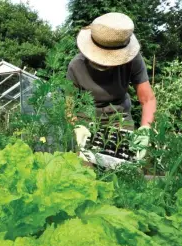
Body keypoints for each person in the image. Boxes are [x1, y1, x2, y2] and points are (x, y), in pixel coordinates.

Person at [67, 12, 157, 160]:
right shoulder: (76, 66)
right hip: (86, 123)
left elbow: (148, 99)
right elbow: (68, 107)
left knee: (124, 167)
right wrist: (76, 125)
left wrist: (146, 129)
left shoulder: (133, 60)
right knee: (86, 170)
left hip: (119, 119)